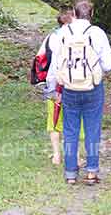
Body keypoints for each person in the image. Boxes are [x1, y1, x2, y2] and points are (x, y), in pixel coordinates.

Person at [47, 0, 111, 185]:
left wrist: (53, 88)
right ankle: (92, 172)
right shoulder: (97, 33)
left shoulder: (62, 33)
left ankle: (70, 174)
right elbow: (109, 64)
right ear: (92, 14)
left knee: (70, 130)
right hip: (92, 87)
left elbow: (55, 66)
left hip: (69, 88)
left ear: (74, 14)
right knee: (92, 129)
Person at [39, 9, 77, 165]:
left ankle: (56, 155)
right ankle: (74, 156)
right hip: (73, 83)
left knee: (53, 119)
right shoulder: (76, 37)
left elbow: (40, 57)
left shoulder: (51, 36)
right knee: (73, 119)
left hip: (53, 82)